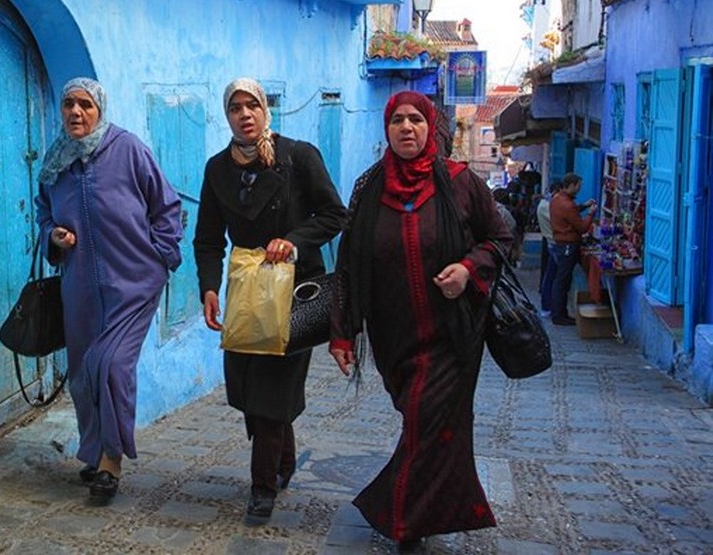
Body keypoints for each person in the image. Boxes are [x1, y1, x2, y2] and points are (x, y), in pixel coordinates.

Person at [329, 91, 513, 551]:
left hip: (452, 335)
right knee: (421, 426)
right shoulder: (368, 188)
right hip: (394, 339)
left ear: (432, 128)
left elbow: (499, 238)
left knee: (427, 419)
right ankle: (423, 510)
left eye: (415, 119)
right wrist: (342, 332)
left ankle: (403, 522)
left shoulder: (459, 182)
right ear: (387, 129)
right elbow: (349, 265)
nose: (406, 128)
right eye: (397, 121)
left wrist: (468, 268)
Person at [193, 77, 346, 522]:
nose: (245, 114)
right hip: (246, 291)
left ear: (265, 110)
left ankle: (262, 488)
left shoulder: (297, 156)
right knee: (244, 384)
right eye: (235, 108)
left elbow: (335, 214)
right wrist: (207, 286)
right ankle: (283, 454)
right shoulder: (217, 169)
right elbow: (206, 239)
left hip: (296, 291)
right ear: (227, 116)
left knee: (271, 388)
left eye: (252, 105)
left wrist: (294, 241)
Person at [35, 77, 184, 501]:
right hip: (80, 284)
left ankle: (111, 463)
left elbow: (166, 206)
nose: (76, 113)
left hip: (134, 281)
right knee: (83, 373)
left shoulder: (128, 148)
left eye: (85, 104)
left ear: (100, 108)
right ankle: (96, 451)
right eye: (68, 105)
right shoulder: (56, 160)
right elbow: (44, 212)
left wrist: (160, 256)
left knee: (112, 365)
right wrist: (54, 237)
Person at [549, 172, 597, 326]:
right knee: (562, 280)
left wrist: (583, 206)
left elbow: (570, 213)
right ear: (572, 185)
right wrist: (590, 214)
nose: (579, 189)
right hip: (567, 245)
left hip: (560, 244)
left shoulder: (557, 200)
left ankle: (559, 313)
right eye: (578, 186)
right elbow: (582, 227)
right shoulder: (567, 205)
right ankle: (558, 315)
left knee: (561, 279)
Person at [536, 181, 562, 317]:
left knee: (550, 275)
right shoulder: (548, 206)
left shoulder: (545, 204)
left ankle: (548, 306)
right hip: (553, 243)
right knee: (554, 277)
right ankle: (549, 307)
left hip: (551, 242)